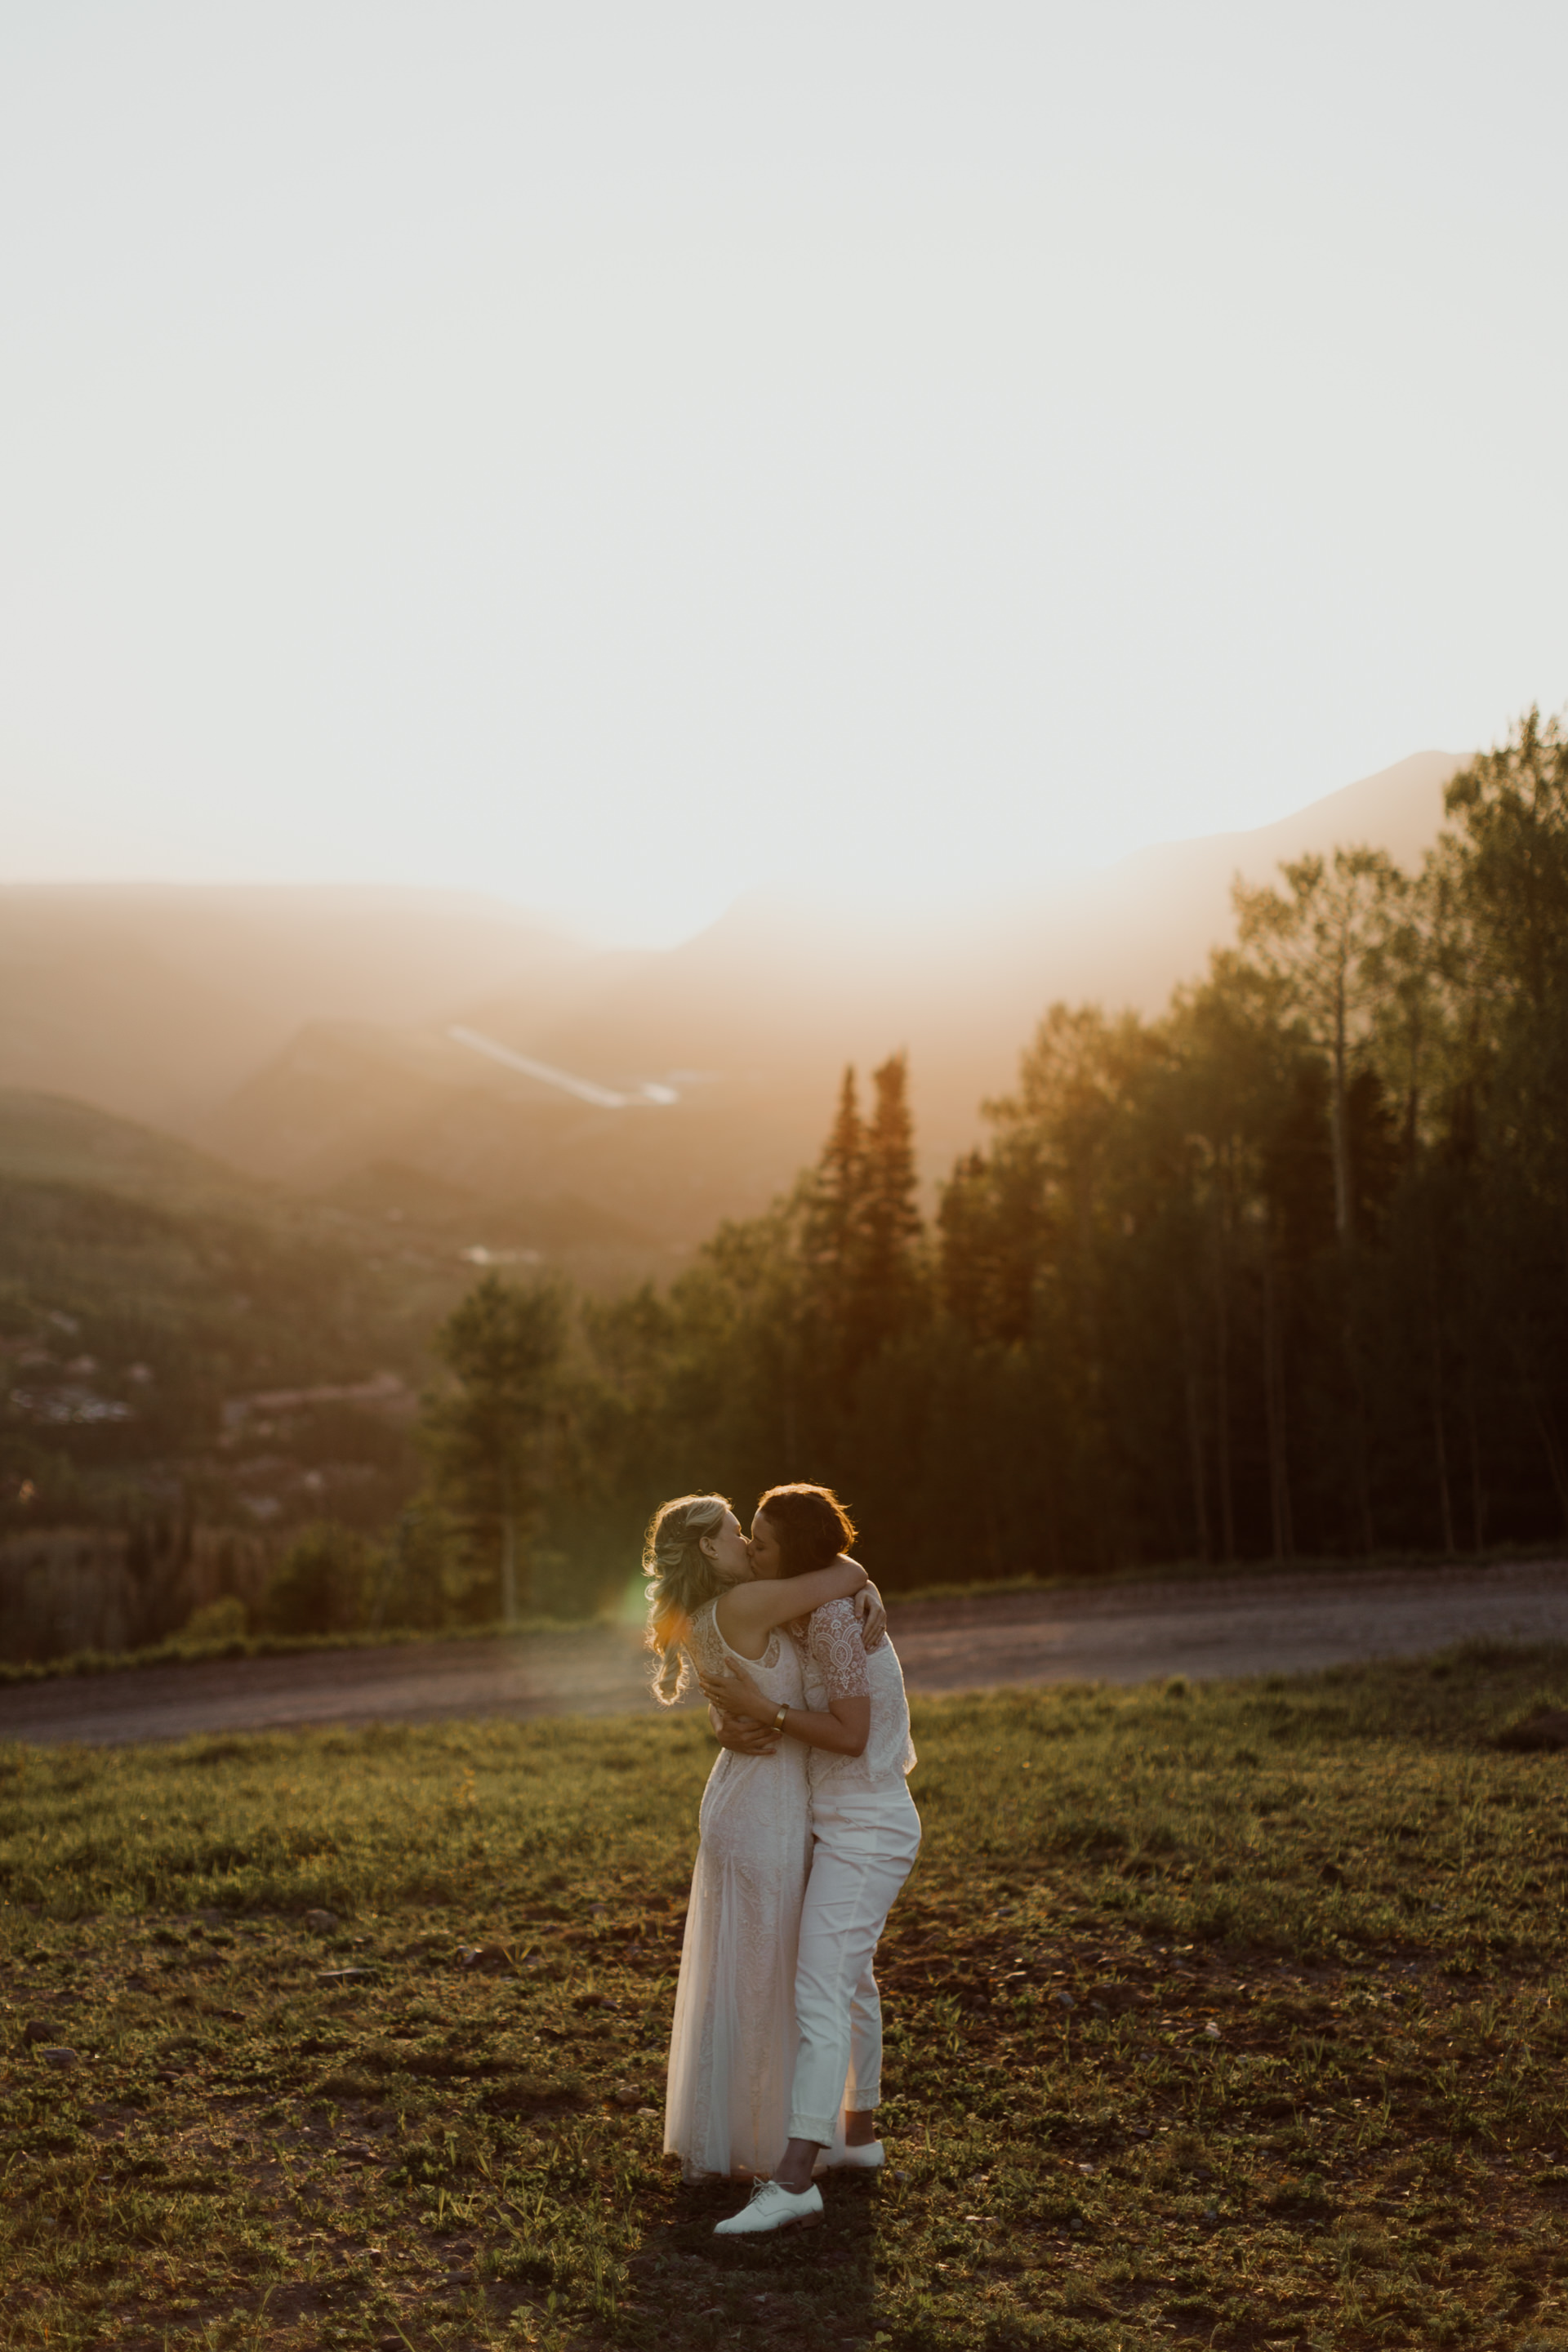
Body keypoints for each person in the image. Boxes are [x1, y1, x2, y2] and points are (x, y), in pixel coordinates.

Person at [698, 1483, 919, 2237]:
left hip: (867, 1828)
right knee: (849, 1978)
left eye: (760, 1539)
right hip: (840, 1823)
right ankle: (858, 2139)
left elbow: (853, 1734)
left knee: (819, 1987)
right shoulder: (815, 1604)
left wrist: (767, 1715)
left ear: (793, 1553)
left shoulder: (829, 1618)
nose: (751, 1549)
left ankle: (795, 2179)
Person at [644, 1491, 881, 2184]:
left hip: (748, 1796)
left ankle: (753, 2127)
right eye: (736, 1534)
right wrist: (869, 1589)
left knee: (753, 1970)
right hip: (763, 1808)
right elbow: (841, 1572)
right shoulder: (743, 1606)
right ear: (712, 1551)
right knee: (769, 1973)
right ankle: (770, 2136)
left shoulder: (715, 1612)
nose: (750, 1543)